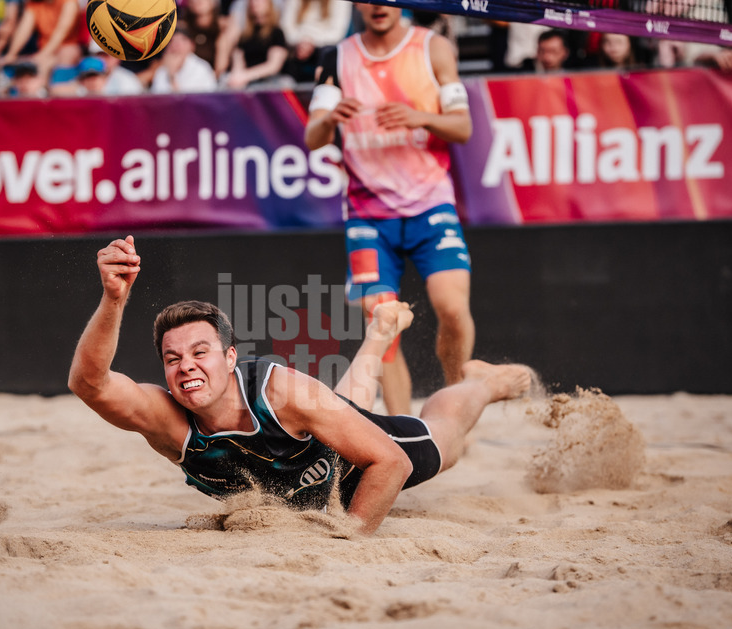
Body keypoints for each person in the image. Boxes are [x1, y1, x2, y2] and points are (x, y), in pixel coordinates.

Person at [68, 237, 532, 535]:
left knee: (441, 440)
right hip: (321, 437)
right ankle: (378, 335)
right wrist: (113, 299)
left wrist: (348, 535)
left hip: (357, 468)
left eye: (200, 352)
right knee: (342, 406)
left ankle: (481, 382)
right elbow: (90, 384)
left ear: (231, 358)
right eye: (173, 358)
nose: (186, 366)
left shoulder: (281, 392)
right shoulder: (168, 421)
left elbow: (390, 462)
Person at [303, 3, 474, 416]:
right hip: (368, 216)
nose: (378, 5)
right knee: (384, 326)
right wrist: (330, 121)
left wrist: (419, 117)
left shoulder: (432, 48)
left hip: (430, 204)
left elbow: (463, 128)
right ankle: (402, 428)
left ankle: (455, 398)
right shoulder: (337, 57)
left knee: (452, 309)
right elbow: (313, 137)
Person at [224, 0, 293, 90]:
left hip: (269, 82)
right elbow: (238, 62)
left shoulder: (276, 33)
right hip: (246, 83)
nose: (255, 3)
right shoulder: (244, 35)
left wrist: (246, 76)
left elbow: (273, 66)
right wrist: (237, 77)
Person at [151, 25, 219, 94]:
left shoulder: (201, 68)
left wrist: (172, 77)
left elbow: (189, 101)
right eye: (172, 41)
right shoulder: (162, 70)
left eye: (182, 40)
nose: (176, 45)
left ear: (192, 45)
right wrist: (171, 74)